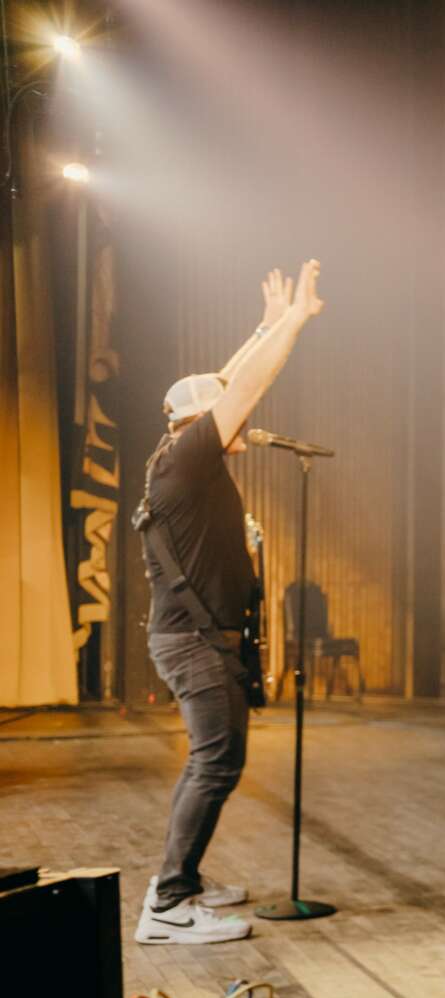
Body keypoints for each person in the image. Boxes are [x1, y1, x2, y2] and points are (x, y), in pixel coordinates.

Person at [134, 261, 326, 946]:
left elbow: (225, 380)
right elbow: (243, 386)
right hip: (194, 643)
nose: (241, 419)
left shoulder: (179, 453)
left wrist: (265, 326)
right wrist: (294, 323)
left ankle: (179, 882)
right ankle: (169, 904)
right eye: (219, 413)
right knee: (215, 762)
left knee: (215, 761)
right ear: (198, 422)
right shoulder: (188, 456)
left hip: (196, 639)